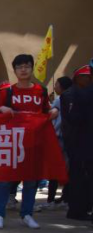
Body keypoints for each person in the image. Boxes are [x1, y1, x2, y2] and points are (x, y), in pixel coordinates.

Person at [0, 54, 59, 230]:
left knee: (31, 180)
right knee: (5, 180)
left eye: (27, 66)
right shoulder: (7, 92)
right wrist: (1, 108)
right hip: (12, 142)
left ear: (32, 69)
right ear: (14, 70)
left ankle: (27, 214)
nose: (23, 70)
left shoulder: (40, 90)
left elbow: (46, 111)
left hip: (34, 142)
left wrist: (53, 112)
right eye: (20, 67)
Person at [61, 63, 93, 222]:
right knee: (79, 177)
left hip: (82, 142)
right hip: (79, 142)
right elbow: (72, 119)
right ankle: (77, 209)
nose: (89, 80)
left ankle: (80, 207)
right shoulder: (71, 94)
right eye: (86, 77)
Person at [39, 76, 73, 211]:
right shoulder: (72, 98)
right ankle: (66, 197)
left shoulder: (60, 99)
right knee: (67, 169)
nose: (55, 87)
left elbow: (51, 115)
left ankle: (51, 199)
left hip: (58, 137)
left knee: (54, 169)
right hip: (69, 138)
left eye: (57, 84)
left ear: (62, 86)